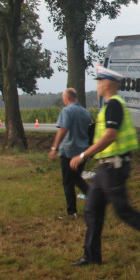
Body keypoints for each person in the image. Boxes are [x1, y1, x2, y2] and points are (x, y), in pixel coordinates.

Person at [69, 65, 140, 265]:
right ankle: (91, 256)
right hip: (105, 167)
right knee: (92, 209)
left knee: (123, 211)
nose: (98, 86)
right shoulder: (109, 106)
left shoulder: (114, 106)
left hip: (115, 167)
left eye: (100, 82)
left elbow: (110, 136)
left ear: (108, 84)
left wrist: (84, 154)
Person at [49, 88, 91, 217]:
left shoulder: (66, 111)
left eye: (63, 98)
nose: (63, 101)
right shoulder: (86, 112)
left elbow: (63, 130)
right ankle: (95, 197)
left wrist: (54, 148)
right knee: (77, 178)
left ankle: (71, 211)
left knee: (68, 182)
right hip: (82, 151)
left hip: (68, 150)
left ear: (68, 98)